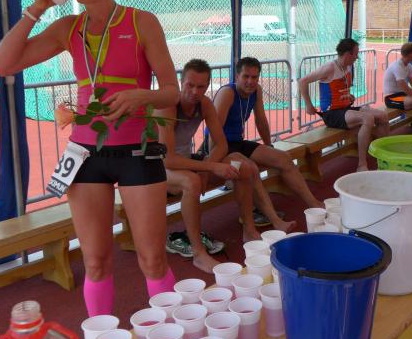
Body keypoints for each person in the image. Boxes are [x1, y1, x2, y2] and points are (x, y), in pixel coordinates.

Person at [0, 0, 180, 316]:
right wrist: (36, 9)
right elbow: (2, 65)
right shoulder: (67, 28)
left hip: (137, 151)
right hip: (84, 154)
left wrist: (141, 96)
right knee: (95, 262)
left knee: (153, 259)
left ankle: (171, 335)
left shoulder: (141, 22)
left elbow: (172, 92)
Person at [159, 59, 294, 273]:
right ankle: (199, 254)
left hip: (185, 161)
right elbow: (167, 159)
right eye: (190, 85)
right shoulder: (168, 107)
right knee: (192, 181)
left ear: (207, 86)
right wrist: (209, 168)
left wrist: (207, 164)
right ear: (181, 82)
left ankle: (249, 230)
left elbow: (221, 144)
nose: (195, 92)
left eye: (201, 87)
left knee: (242, 166)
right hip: (154, 167)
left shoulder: (204, 104)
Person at [212, 57, 325, 215]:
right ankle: (258, 213)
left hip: (238, 143)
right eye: (246, 76)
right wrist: (213, 160)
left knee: (284, 158)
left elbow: (261, 120)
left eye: (254, 77)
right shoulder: (227, 93)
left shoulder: (256, 91)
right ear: (237, 76)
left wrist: (268, 145)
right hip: (220, 147)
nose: (250, 81)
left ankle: (313, 203)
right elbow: (214, 132)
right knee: (250, 169)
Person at [298, 38, 390, 171]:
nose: (357, 57)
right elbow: (303, 81)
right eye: (356, 54)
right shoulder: (329, 67)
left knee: (383, 115)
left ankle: (384, 154)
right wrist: (308, 105)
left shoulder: (347, 67)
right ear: (347, 54)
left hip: (346, 109)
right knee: (367, 118)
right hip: (332, 114)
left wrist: (348, 96)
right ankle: (362, 164)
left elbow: (339, 90)